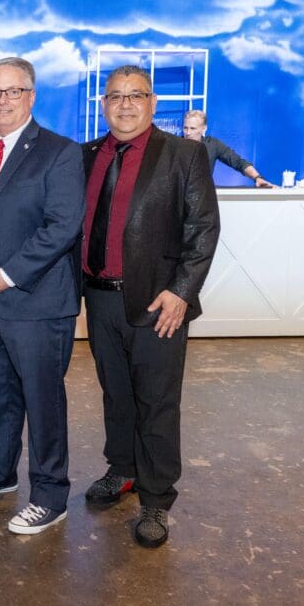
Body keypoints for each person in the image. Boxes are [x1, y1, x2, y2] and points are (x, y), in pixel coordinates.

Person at [81, 65, 220, 548]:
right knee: (115, 393)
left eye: (135, 95)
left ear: (153, 102)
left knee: (157, 402)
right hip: (99, 300)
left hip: (160, 303)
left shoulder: (183, 154)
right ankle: (121, 470)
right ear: (103, 105)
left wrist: (181, 291)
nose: (124, 105)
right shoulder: (87, 156)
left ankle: (157, 499)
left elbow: (203, 228)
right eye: (114, 96)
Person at [0, 57, 85, 535]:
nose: (2, 100)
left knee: (43, 402)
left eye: (13, 91)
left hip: (37, 304)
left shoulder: (60, 152)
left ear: (32, 95)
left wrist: (4, 275)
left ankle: (50, 495)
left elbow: (61, 227)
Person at [182, 109, 273, 187]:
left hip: (203, 197)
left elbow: (238, 162)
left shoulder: (212, 145)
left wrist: (257, 178)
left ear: (204, 128)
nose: (188, 133)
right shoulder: (175, 145)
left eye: (193, 128)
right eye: (185, 128)